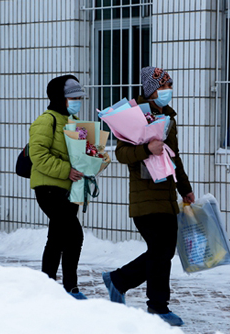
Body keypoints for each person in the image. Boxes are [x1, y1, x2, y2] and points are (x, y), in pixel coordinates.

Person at [102, 66, 195, 326]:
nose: (168, 91)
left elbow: (174, 159)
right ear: (150, 90)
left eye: (169, 86)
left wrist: (185, 189)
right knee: (160, 251)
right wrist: (147, 148)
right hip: (144, 197)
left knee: (163, 252)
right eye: (163, 86)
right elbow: (122, 155)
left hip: (166, 195)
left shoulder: (167, 118)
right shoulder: (132, 117)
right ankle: (156, 305)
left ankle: (119, 281)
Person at [29, 74, 87, 299]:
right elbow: (38, 155)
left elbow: (82, 155)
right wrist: (67, 171)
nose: (77, 101)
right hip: (49, 189)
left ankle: (48, 286)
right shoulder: (46, 120)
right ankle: (70, 288)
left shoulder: (74, 122)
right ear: (60, 98)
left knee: (58, 237)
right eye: (73, 97)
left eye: (80, 97)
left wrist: (96, 159)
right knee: (74, 235)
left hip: (69, 188)